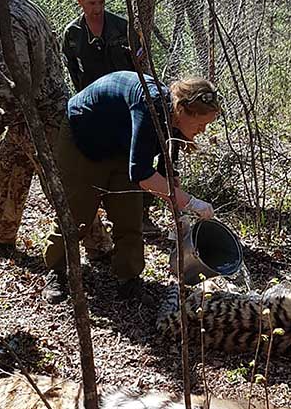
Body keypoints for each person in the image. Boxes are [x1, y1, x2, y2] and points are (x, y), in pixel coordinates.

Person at [0, 0, 111, 257]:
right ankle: (2, 234)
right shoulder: (17, 8)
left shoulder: (9, 20)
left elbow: (14, 82)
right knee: (9, 169)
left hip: (42, 121)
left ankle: (97, 245)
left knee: (63, 187)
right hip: (22, 122)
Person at [42, 71, 219, 303]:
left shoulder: (175, 119)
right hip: (84, 139)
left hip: (122, 147)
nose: (202, 131)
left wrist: (171, 184)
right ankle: (56, 270)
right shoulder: (150, 105)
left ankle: (128, 277)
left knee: (129, 213)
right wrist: (190, 202)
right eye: (201, 123)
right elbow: (142, 174)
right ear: (183, 110)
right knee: (77, 212)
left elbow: (163, 160)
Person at [62, 0, 160, 238]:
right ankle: (100, 215)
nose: (97, 8)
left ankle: (142, 214)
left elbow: (141, 66)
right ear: (80, 1)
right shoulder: (72, 34)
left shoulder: (122, 28)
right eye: (92, 3)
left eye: (101, 2)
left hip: (127, 107)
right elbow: (74, 73)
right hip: (95, 110)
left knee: (137, 157)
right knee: (97, 160)